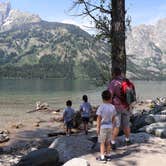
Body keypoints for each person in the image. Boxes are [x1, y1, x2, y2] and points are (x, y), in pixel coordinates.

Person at [108, 67, 135, 150]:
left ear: (114, 74)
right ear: (120, 73)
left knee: (116, 125)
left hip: (117, 107)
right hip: (126, 106)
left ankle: (112, 142)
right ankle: (127, 140)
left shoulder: (113, 83)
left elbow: (110, 95)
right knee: (126, 125)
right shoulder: (126, 81)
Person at [96, 90, 116, 162]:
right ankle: (108, 155)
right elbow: (114, 118)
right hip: (110, 127)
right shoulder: (113, 107)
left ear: (102, 98)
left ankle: (102, 157)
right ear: (110, 98)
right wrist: (113, 127)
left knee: (102, 143)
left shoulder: (101, 107)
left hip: (102, 127)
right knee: (108, 143)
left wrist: (97, 127)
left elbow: (99, 118)